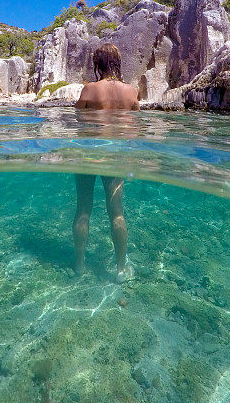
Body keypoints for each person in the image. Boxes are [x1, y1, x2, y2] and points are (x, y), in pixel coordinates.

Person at [73, 44, 139, 282]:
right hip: (115, 156)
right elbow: (134, 127)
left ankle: (79, 263)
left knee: (83, 209)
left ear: (98, 63)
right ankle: (121, 269)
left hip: (89, 154)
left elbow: (76, 119)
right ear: (118, 63)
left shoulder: (89, 89)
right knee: (117, 214)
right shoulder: (132, 92)